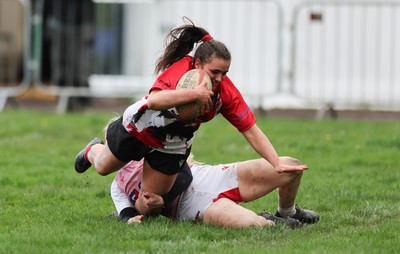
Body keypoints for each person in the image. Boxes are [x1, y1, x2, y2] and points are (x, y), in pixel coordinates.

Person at [74, 18, 308, 216]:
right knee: (104, 167)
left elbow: (250, 129)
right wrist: (194, 93)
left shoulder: (224, 91)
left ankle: (130, 215)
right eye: (214, 72)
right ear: (197, 64)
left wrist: (276, 162)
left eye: (224, 73)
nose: (219, 78)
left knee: (152, 201)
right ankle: (91, 151)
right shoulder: (181, 68)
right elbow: (154, 100)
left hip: (173, 142)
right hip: (141, 126)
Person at [110, 154, 319, 228]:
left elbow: (183, 171)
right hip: (191, 207)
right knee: (251, 224)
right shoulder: (118, 185)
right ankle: (270, 221)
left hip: (208, 176)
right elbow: (127, 215)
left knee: (291, 167)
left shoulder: (150, 148)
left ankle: (287, 212)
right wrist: (147, 211)